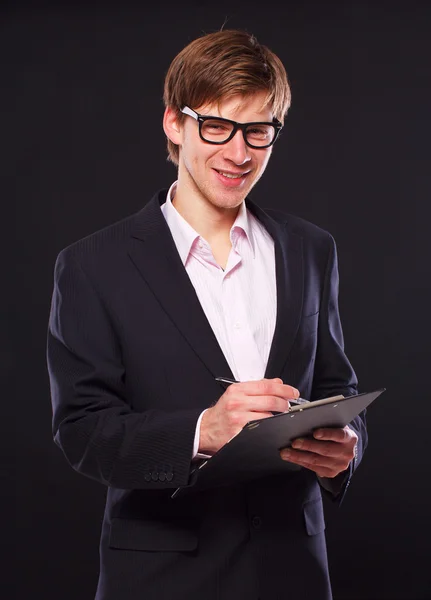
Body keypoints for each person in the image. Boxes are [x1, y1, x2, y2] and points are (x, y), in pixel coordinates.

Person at [47, 29, 366, 600]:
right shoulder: (91, 265)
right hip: (161, 578)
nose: (239, 153)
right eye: (217, 126)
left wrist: (347, 446)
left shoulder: (312, 249)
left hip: (294, 570)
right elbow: (81, 432)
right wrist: (203, 430)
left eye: (258, 131)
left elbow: (338, 386)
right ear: (174, 123)